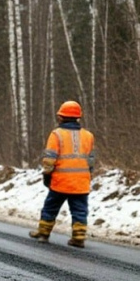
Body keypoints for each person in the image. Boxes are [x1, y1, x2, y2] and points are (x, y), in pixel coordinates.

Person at [29, 101, 95, 248]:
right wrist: (89, 174)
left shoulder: (56, 134)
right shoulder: (88, 136)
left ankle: (43, 234)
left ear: (61, 117)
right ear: (78, 117)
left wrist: (47, 174)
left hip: (60, 181)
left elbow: (49, 158)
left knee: (50, 207)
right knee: (79, 210)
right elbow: (91, 160)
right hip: (81, 182)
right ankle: (78, 237)